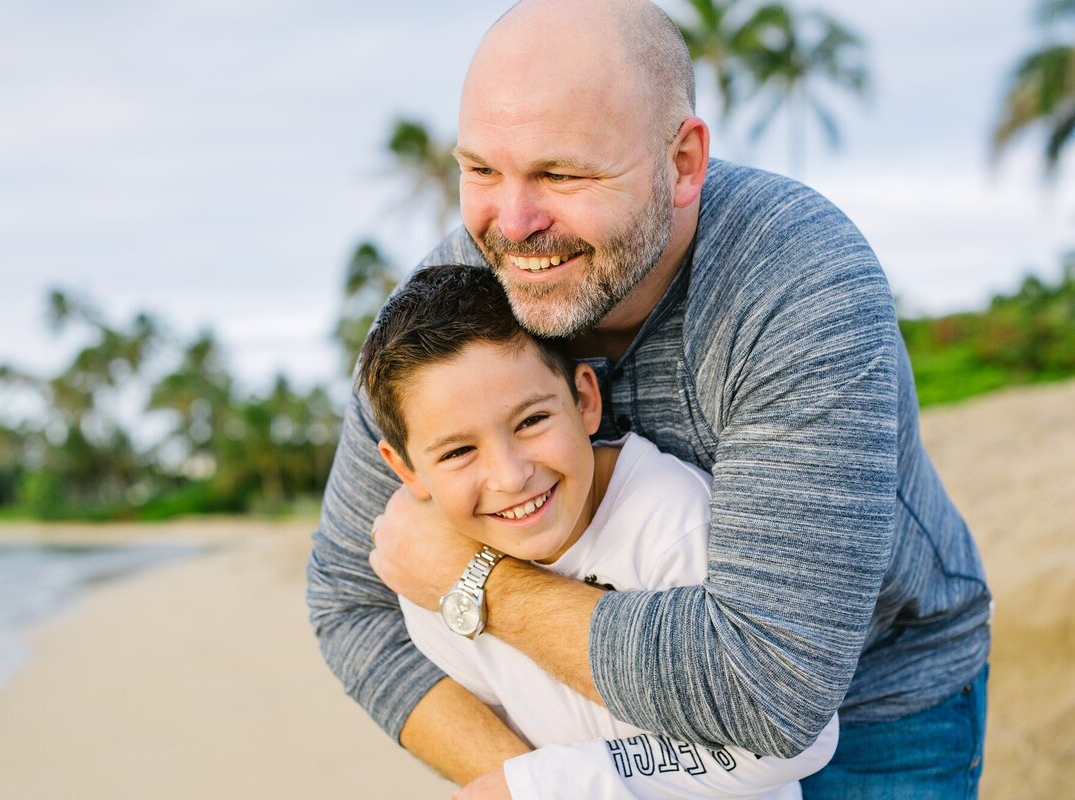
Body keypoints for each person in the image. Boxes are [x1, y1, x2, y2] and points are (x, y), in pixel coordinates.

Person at [307, 1, 991, 797]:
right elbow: (348, 600)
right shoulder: (453, 306)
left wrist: (476, 582)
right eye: (481, 169)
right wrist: (531, 783)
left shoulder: (796, 281)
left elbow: (772, 687)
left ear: (684, 161)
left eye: (561, 173)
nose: (513, 224)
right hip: (594, 725)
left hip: (878, 695)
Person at [357, 263, 839, 799]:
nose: (511, 476)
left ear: (585, 399)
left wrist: (539, 786)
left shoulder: (670, 521)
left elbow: (796, 741)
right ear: (405, 470)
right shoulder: (427, 573)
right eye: (458, 451)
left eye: (531, 421)